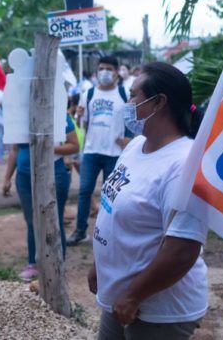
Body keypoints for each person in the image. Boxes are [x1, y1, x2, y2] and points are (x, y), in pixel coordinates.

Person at [89, 62, 207, 340]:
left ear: (159, 102)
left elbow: (182, 250)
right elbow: (112, 210)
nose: (127, 103)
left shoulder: (184, 165)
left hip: (159, 310)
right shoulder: (134, 146)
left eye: (133, 96)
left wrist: (133, 296)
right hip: (121, 297)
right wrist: (99, 265)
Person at [2, 114, 79, 281]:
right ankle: (34, 263)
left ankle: (57, 264)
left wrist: (47, 148)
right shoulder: (21, 116)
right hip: (24, 176)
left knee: (55, 220)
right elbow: (15, 150)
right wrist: (7, 178)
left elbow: (74, 145)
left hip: (54, 174)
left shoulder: (60, 114)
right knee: (32, 221)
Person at [67, 56, 131, 246]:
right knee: (84, 191)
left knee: (111, 195)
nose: (105, 72)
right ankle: (80, 231)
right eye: (101, 68)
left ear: (116, 72)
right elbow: (83, 123)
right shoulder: (88, 94)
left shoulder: (124, 94)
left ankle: (110, 231)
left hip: (115, 153)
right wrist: (78, 116)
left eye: (109, 69)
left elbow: (132, 119)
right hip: (91, 151)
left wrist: (129, 139)